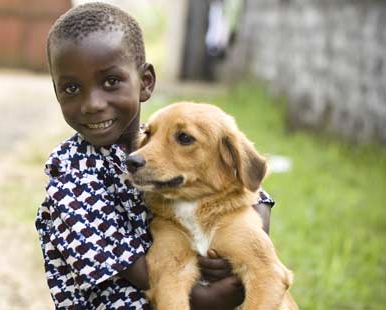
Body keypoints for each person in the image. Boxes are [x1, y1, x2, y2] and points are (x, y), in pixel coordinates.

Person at [35, 2, 274, 309]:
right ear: (56, 93)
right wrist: (216, 295)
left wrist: (247, 238)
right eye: (71, 88)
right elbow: (145, 274)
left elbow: (249, 188)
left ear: (145, 82)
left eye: (110, 82)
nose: (92, 103)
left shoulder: (160, 139)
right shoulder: (69, 177)